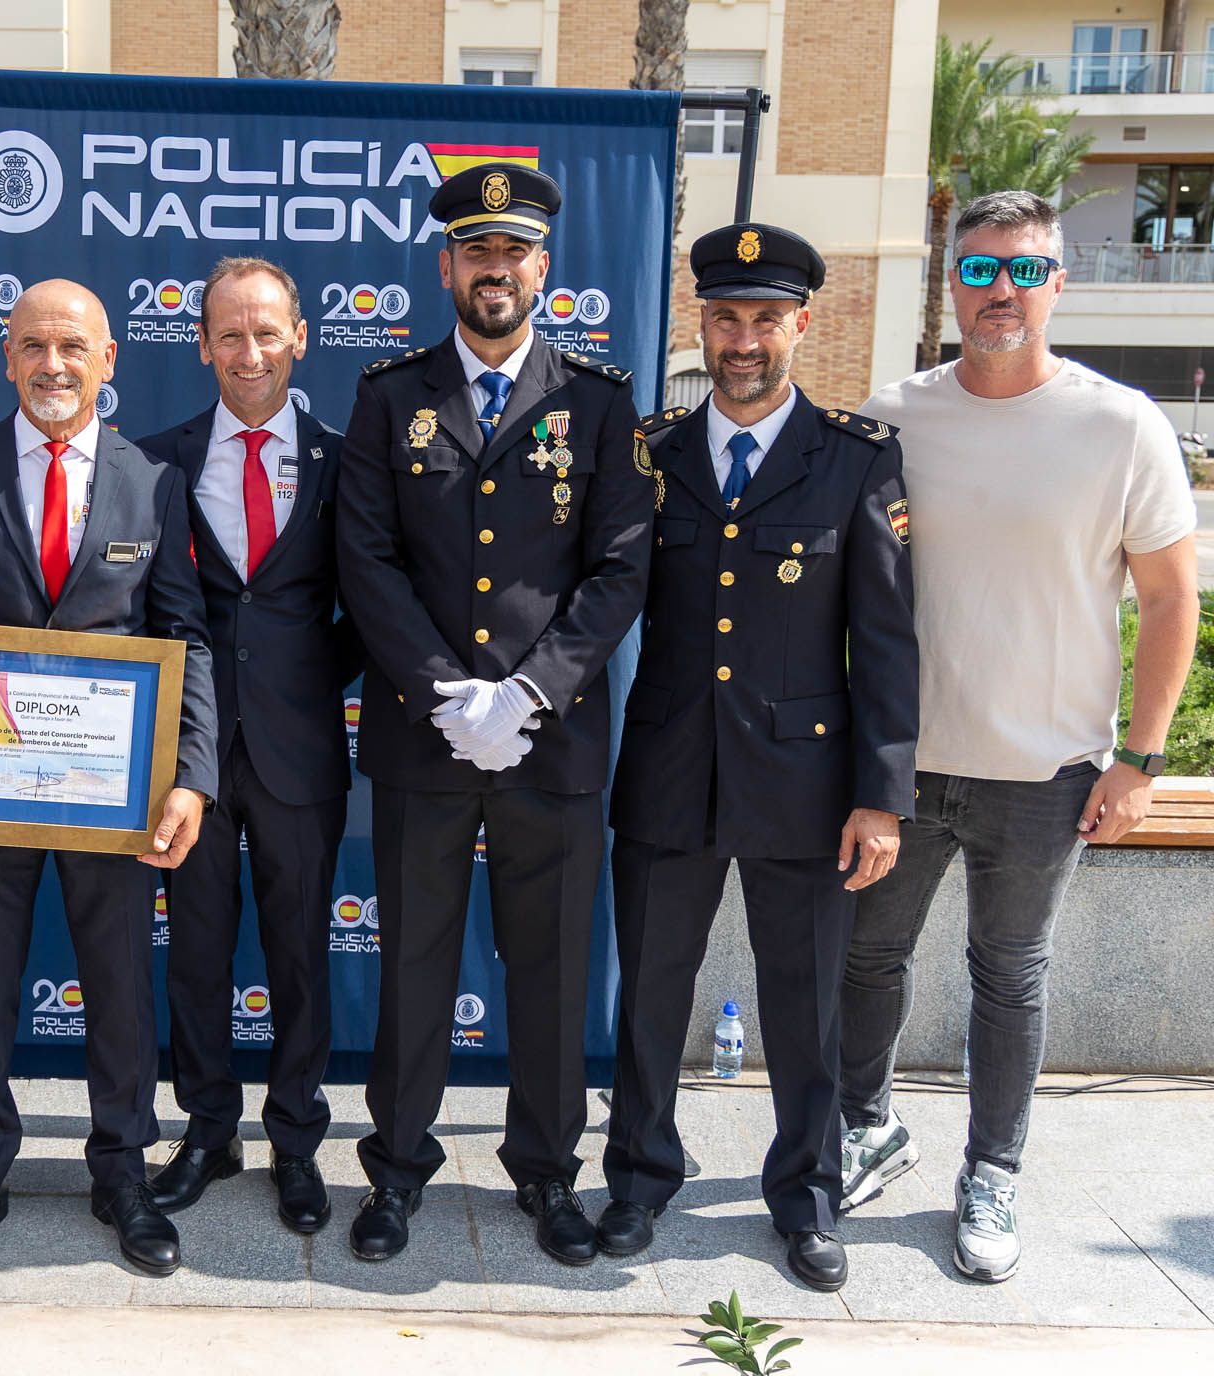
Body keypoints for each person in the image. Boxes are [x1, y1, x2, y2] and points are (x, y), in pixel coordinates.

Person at [838, 190, 1199, 1283]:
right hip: (902, 763)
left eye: (1027, 271)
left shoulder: (1120, 422)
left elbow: (1172, 597)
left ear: (1059, 283)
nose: (1004, 292)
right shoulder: (891, 413)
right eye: (984, 271)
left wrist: (1140, 758)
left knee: (1011, 973)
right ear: (953, 281)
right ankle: (865, 1125)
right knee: (865, 957)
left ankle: (991, 1168)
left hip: (1046, 771)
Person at [0, 279, 218, 1281]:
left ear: (111, 361)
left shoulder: (152, 483)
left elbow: (184, 635)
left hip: (117, 793)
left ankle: (122, 1172)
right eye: (33, 345)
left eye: (73, 346)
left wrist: (190, 776)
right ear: (6, 358)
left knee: (117, 988)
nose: (53, 364)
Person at [335, 163, 652, 1265]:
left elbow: (619, 570)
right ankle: (398, 1170)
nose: (496, 270)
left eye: (513, 252)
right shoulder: (388, 397)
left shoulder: (601, 404)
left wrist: (525, 690)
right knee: (415, 959)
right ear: (447, 267)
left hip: (551, 741)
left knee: (553, 969)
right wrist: (444, 692)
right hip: (425, 740)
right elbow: (365, 561)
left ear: (543, 269)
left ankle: (549, 1173)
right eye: (477, 252)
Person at [600, 223, 918, 1293]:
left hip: (805, 784)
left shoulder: (857, 458)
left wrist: (881, 797)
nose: (743, 340)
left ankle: (807, 1193)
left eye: (765, 320)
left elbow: (883, 639)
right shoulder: (651, 454)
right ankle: (642, 1173)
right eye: (726, 318)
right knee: (649, 989)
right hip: (668, 772)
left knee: (805, 1000)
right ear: (704, 322)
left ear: (801, 326)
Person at [136, 257, 361, 1234]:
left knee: (301, 951)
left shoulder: (347, 462)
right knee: (194, 950)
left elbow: (376, 605)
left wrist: (310, 670)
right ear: (202, 345)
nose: (250, 350)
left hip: (302, 747)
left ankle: (299, 1140)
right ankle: (209, 1128)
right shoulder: (157, 462)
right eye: (230, 333)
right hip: (187, 758)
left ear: (300, 337)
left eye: (267, 331)